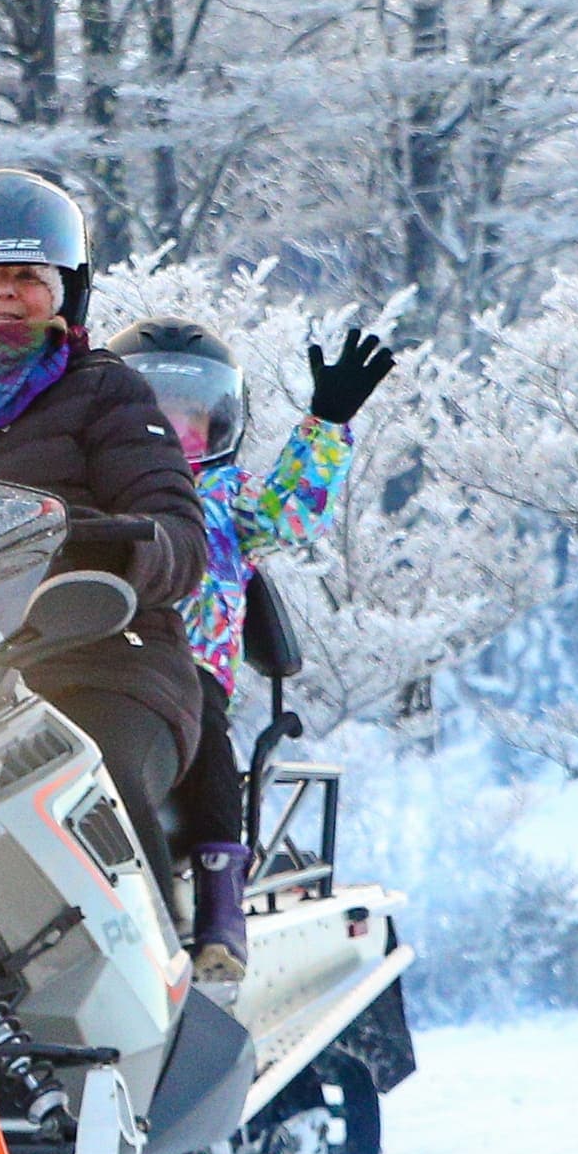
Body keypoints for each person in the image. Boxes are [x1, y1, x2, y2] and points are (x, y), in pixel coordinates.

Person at [0, 170, 212, 903]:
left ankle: (159, 986)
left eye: (27, 275)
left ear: (65, 291)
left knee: (92, 775)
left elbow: (183, 533)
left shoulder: (106, 392)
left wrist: (113, 547)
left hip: (95, 660)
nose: (3, 292)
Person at [108, 317, 397, 983]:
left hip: (191, 674)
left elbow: (290, 513)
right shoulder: (102, 487)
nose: (179, 438)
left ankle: (217, 915)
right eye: (159, 419)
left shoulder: (227, 501)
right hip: (101, 658)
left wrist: (326, 423)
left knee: (210, 747)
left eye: (195, 422)